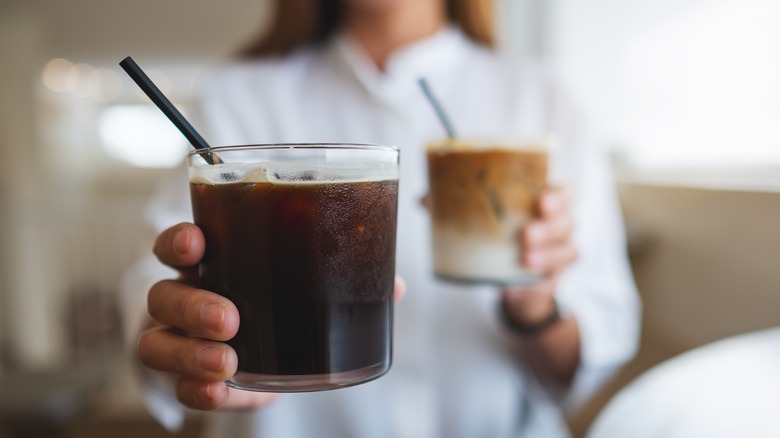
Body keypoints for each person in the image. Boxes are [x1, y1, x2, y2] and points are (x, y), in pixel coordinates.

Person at [125, 0, 641, 436]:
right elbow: (160, 284)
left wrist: (534, 302)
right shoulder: (240, 95)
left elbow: (594, 349)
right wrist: (182, 331)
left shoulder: (541, 97)